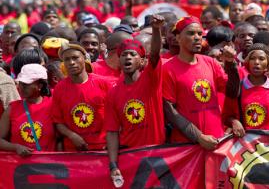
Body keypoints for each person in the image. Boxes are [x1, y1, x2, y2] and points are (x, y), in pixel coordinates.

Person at [162, 16, 240, 150]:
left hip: (217, 140)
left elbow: (233, 92)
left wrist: (231, 64)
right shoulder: (167, 69)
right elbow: (170, 111)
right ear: (178, 38)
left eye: (199, 33)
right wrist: (199, 137)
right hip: (186, 146)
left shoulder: (210, 62)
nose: (197, 37)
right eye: (191, 33)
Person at [105, 15, 165, 183]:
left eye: (132, 54)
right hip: (130, 158)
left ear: (141, 61)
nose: (128, 58)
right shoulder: (113, 93)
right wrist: (113, 165)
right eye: (124, 55)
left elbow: (155, 55)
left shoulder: (150, 79)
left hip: (158, 155)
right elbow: (111, 132)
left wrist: (156, 29)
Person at [52, 42, 110, 151]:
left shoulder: (103, 83)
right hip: (73, 151)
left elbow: (115, 115)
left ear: (84, 58)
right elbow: (58, 122)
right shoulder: (59, 88)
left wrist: (111, 140)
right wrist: (72, 136)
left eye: (75, 58)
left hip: (103, 148)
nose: (71, 62)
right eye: (67, 59)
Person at [223, 43, 269, 140]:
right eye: (252, 58)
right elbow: (226, 116)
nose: (256, 62)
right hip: (243, 146)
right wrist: (234, 122)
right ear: (247, 62)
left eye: (261, 59)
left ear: (268, 64)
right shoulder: (237, 87)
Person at [0, 64, 55, 156]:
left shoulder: (52, 105)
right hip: (21, 167)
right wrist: (16, 147)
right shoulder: (12, 108)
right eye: (20, 83)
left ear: (40, 85)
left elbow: (61, 138)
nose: (21, 87)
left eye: (26, 85)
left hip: (49, 166)